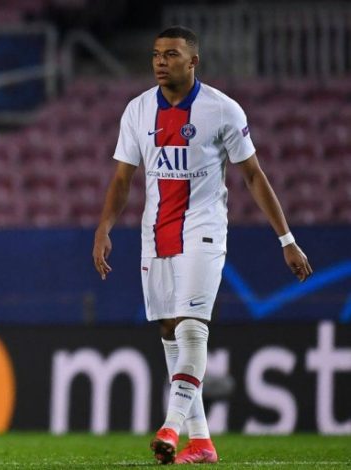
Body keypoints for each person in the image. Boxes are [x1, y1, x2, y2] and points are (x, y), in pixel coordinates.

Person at [92, 26, 313, 464]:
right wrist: (104, 228)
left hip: (204, 230)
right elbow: (122, 179)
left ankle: (170, 427)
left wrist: (286, 239)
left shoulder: (222, 109)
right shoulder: (138, 110)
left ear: (193, 61)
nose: (160, 61)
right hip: (156, 233)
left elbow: (253, 175)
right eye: (156, 54)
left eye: (171, 54)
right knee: (169, 329)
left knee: (192, 326)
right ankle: (201, 442)